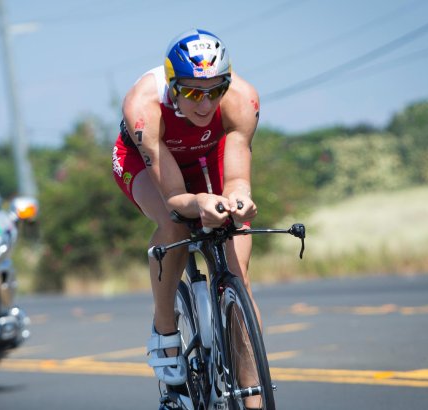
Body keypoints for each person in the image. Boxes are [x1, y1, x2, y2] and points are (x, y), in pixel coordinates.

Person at [110, 29, 261, 409]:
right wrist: (195, 204)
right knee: (174, 223)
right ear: (173, 85)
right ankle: (165, 331)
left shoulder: (242, 99)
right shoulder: (144, 106)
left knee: (237, 268)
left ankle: (254, 395)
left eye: (215, 89)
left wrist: (239, 201)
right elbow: (176, 198)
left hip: (208, 154)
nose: (206, 103)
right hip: (148, 162)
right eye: (193, 91)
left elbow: (239, 178)